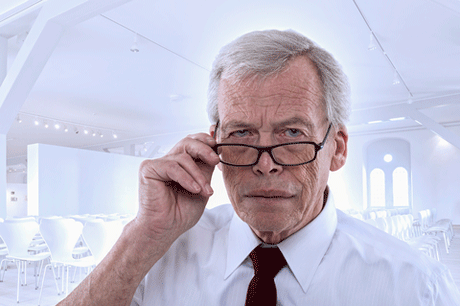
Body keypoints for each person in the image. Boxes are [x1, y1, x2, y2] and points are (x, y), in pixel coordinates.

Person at [60, 29, 460, 305]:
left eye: (291, 135)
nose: (265, 166)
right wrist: (143, 237)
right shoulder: (161, 255)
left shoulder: (415, 287)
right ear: (212, 144)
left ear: (336, 149)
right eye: (242, 135)